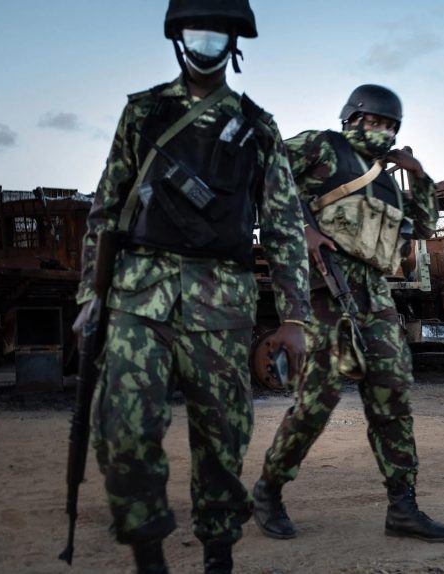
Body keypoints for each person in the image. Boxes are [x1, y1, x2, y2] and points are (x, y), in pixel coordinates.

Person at [72, 1, 311, 572]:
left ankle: (218, 559)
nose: (207, 43)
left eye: (218, 33)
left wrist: (294, 317)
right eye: (197, 31)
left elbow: (282, 225)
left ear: (235, 42)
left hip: (220, 305)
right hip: (137, 298)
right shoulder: (144, 114)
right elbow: (105, 211)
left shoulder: (257, 128)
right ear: (179, 38)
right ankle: (149, 559)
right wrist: (91, 296)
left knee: (222, 445)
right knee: (124, 432)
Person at [252, 84, 444, 543]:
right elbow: (266, 173)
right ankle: (268, 490)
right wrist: (302, 228)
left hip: (373, 294)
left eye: (389, 126)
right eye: (374, 121)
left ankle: (403, 506)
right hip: (323, 288)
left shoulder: (387, 181)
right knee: (316, 402)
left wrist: (418, 174)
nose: (381, 132)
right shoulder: (322, 145)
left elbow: (424, 225)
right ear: (352, 119)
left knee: (393, 395)